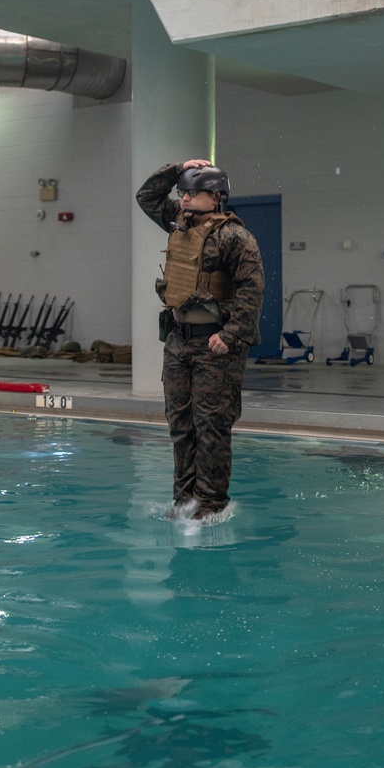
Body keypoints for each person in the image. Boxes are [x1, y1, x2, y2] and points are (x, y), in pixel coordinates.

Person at [136, 158, 264, 519]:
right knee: (180, 425)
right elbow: (146, 196)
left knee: (211, 425)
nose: (186, 198)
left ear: (217, 196)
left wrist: (232, 334)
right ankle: (185, 501)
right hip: (178, 341)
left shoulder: (234, 236)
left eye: (194, 192)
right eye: (184, 192)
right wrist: (176, 168)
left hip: (215, 345)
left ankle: (210, 504)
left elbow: (252, 290)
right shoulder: (178, 222)